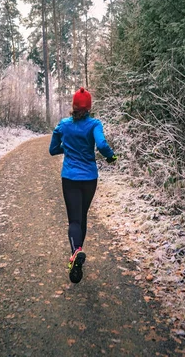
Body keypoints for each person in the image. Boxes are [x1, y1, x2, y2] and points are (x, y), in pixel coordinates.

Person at [49, 87, 117, 283]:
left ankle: (76, 251)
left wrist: (67, 148)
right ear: (89, 107)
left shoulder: (63, 125)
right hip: (89, 178)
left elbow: (53, 149)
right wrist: (111, 157)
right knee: (82, 215)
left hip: (70, 177)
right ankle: (77, 252)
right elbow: (102, 145)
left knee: (74, 220)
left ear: (73, 106)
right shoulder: (94, 124)